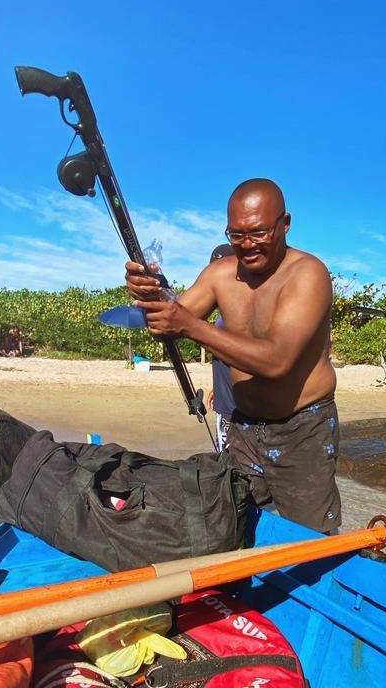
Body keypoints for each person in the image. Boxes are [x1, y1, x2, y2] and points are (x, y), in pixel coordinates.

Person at [125, 178, 341, 534]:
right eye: (236, 234)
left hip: (302, 430)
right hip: (242, 427)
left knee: (310, 536)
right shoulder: (219, 274)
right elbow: (167, 324)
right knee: (233, 523)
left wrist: (190, 326)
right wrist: (149, 295)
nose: (247, 244)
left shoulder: (308, 274)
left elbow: (276, 361)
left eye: (258, 232)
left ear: (285, 224)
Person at [205, 244, 236, 451]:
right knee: (223, 457)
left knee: (229, 462)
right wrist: (218, 387)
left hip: (236, 408)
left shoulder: (241, 309)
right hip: (225, 402)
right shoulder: (224, 311)